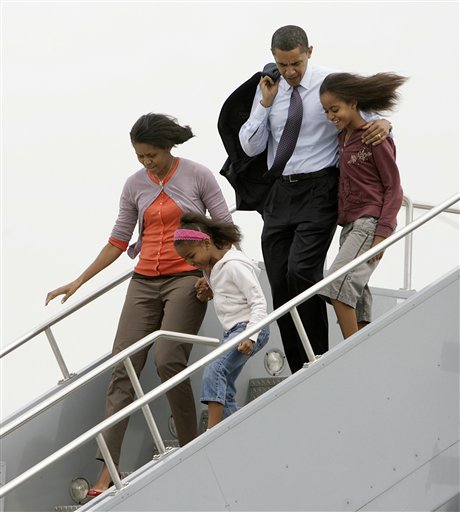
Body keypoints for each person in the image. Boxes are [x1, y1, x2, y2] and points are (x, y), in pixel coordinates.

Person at [45, 113, 232, 495]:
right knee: (123, 368)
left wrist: (210, 275)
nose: (147, 162)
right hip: (144, 280)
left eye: (152, 155)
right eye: (140, 156)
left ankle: (192, 443)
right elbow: (118, 239)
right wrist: (78, 281)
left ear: (167, 146)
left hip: (186, 278)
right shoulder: (134, 186)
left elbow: (224, 229)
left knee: (168, 360)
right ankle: (107, 471)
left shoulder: (197, 175)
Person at [238, 25, 392, 373]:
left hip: (320, 188)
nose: (290, 72)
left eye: (296, 63)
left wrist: (385, 123)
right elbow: (251, 146)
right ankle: (299, 369)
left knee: (302, 272)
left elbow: (363, 117)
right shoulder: (270, 86)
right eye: (283, 63)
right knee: (278, 282)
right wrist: (264, 104)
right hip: (280, 192)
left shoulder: (328, 83)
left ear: (309, 51)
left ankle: (320, 359)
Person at [318, 72, 406, 339]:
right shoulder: (342, 139)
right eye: (326, 111)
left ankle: (350, 352)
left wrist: (382, 234)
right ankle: (364, 347)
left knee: (337, 284)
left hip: (370, 224)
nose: (331, 116)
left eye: (335, 109)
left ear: (353, 103)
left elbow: (394, 188)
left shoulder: (373, 137)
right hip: (349, 225)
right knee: (357, 293)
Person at [173, 213, 269, 429]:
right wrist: (209, 291)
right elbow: (230, 295)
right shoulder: (211, 268)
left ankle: (212, 430)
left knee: (214, 370)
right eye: (186, 260)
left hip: (250, 328)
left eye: (191, 256)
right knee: (224, 386)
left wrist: (251, 336)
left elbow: (259, 302)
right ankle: (234, 430)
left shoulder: (234, 265)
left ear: (207, 243)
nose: (190, 263)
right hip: (233, 331)